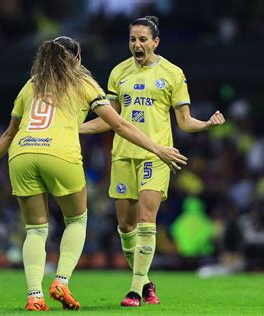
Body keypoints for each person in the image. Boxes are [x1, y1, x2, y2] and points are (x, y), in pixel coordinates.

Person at [0, 36, 188, 311]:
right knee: (76, 220)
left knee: (36, 229)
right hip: (60, 154)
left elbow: (9, 133)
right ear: (75, 59)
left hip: (22, 154)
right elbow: (120, 124)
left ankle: (34, 296)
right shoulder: (82, 82)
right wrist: (158, 148)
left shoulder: (31, 84)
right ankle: (61, 281)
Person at [80, 16, 226, 307]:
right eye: (133, 39)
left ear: (155, 42)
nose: (137, 44)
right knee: (125, 226)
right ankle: (146, 283)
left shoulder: (172, 73)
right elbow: (109, 121)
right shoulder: (118, 72)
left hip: (157, 155)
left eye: (143, 39)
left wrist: (207, 124)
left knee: (147, 221)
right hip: (123, 155)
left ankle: (134, 290)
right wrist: (72, 127)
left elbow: (184, 122)